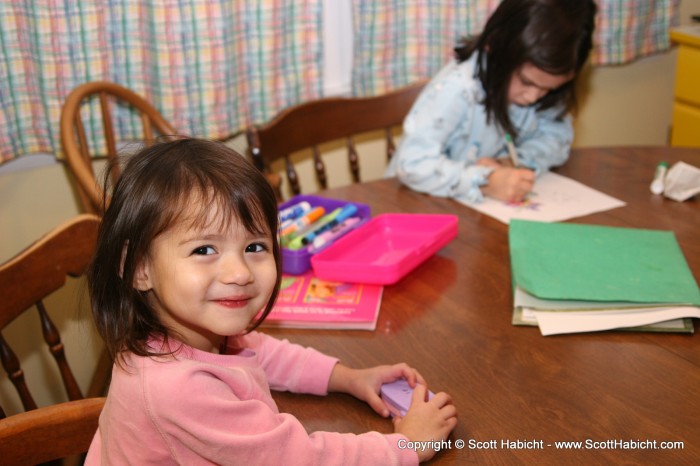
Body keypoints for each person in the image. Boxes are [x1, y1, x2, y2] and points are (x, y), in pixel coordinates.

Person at [84, 138, 457, 465]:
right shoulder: (177, 389)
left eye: (254, 246)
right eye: (204, 249)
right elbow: (299, 459)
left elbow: (263, 352)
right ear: (138, 269)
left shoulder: (186, 333)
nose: (240, 272)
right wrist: (405, 446)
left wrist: (348, 378)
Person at [385, 0, 597, 204]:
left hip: (470, 212)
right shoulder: (458, 87)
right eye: (526, 81)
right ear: (494, 45)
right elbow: (412, 165)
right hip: (411, 204)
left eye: (550, 88)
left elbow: (557, 140)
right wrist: (485, 181)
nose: (533, 97)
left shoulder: (543, 86)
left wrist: (514, 162)